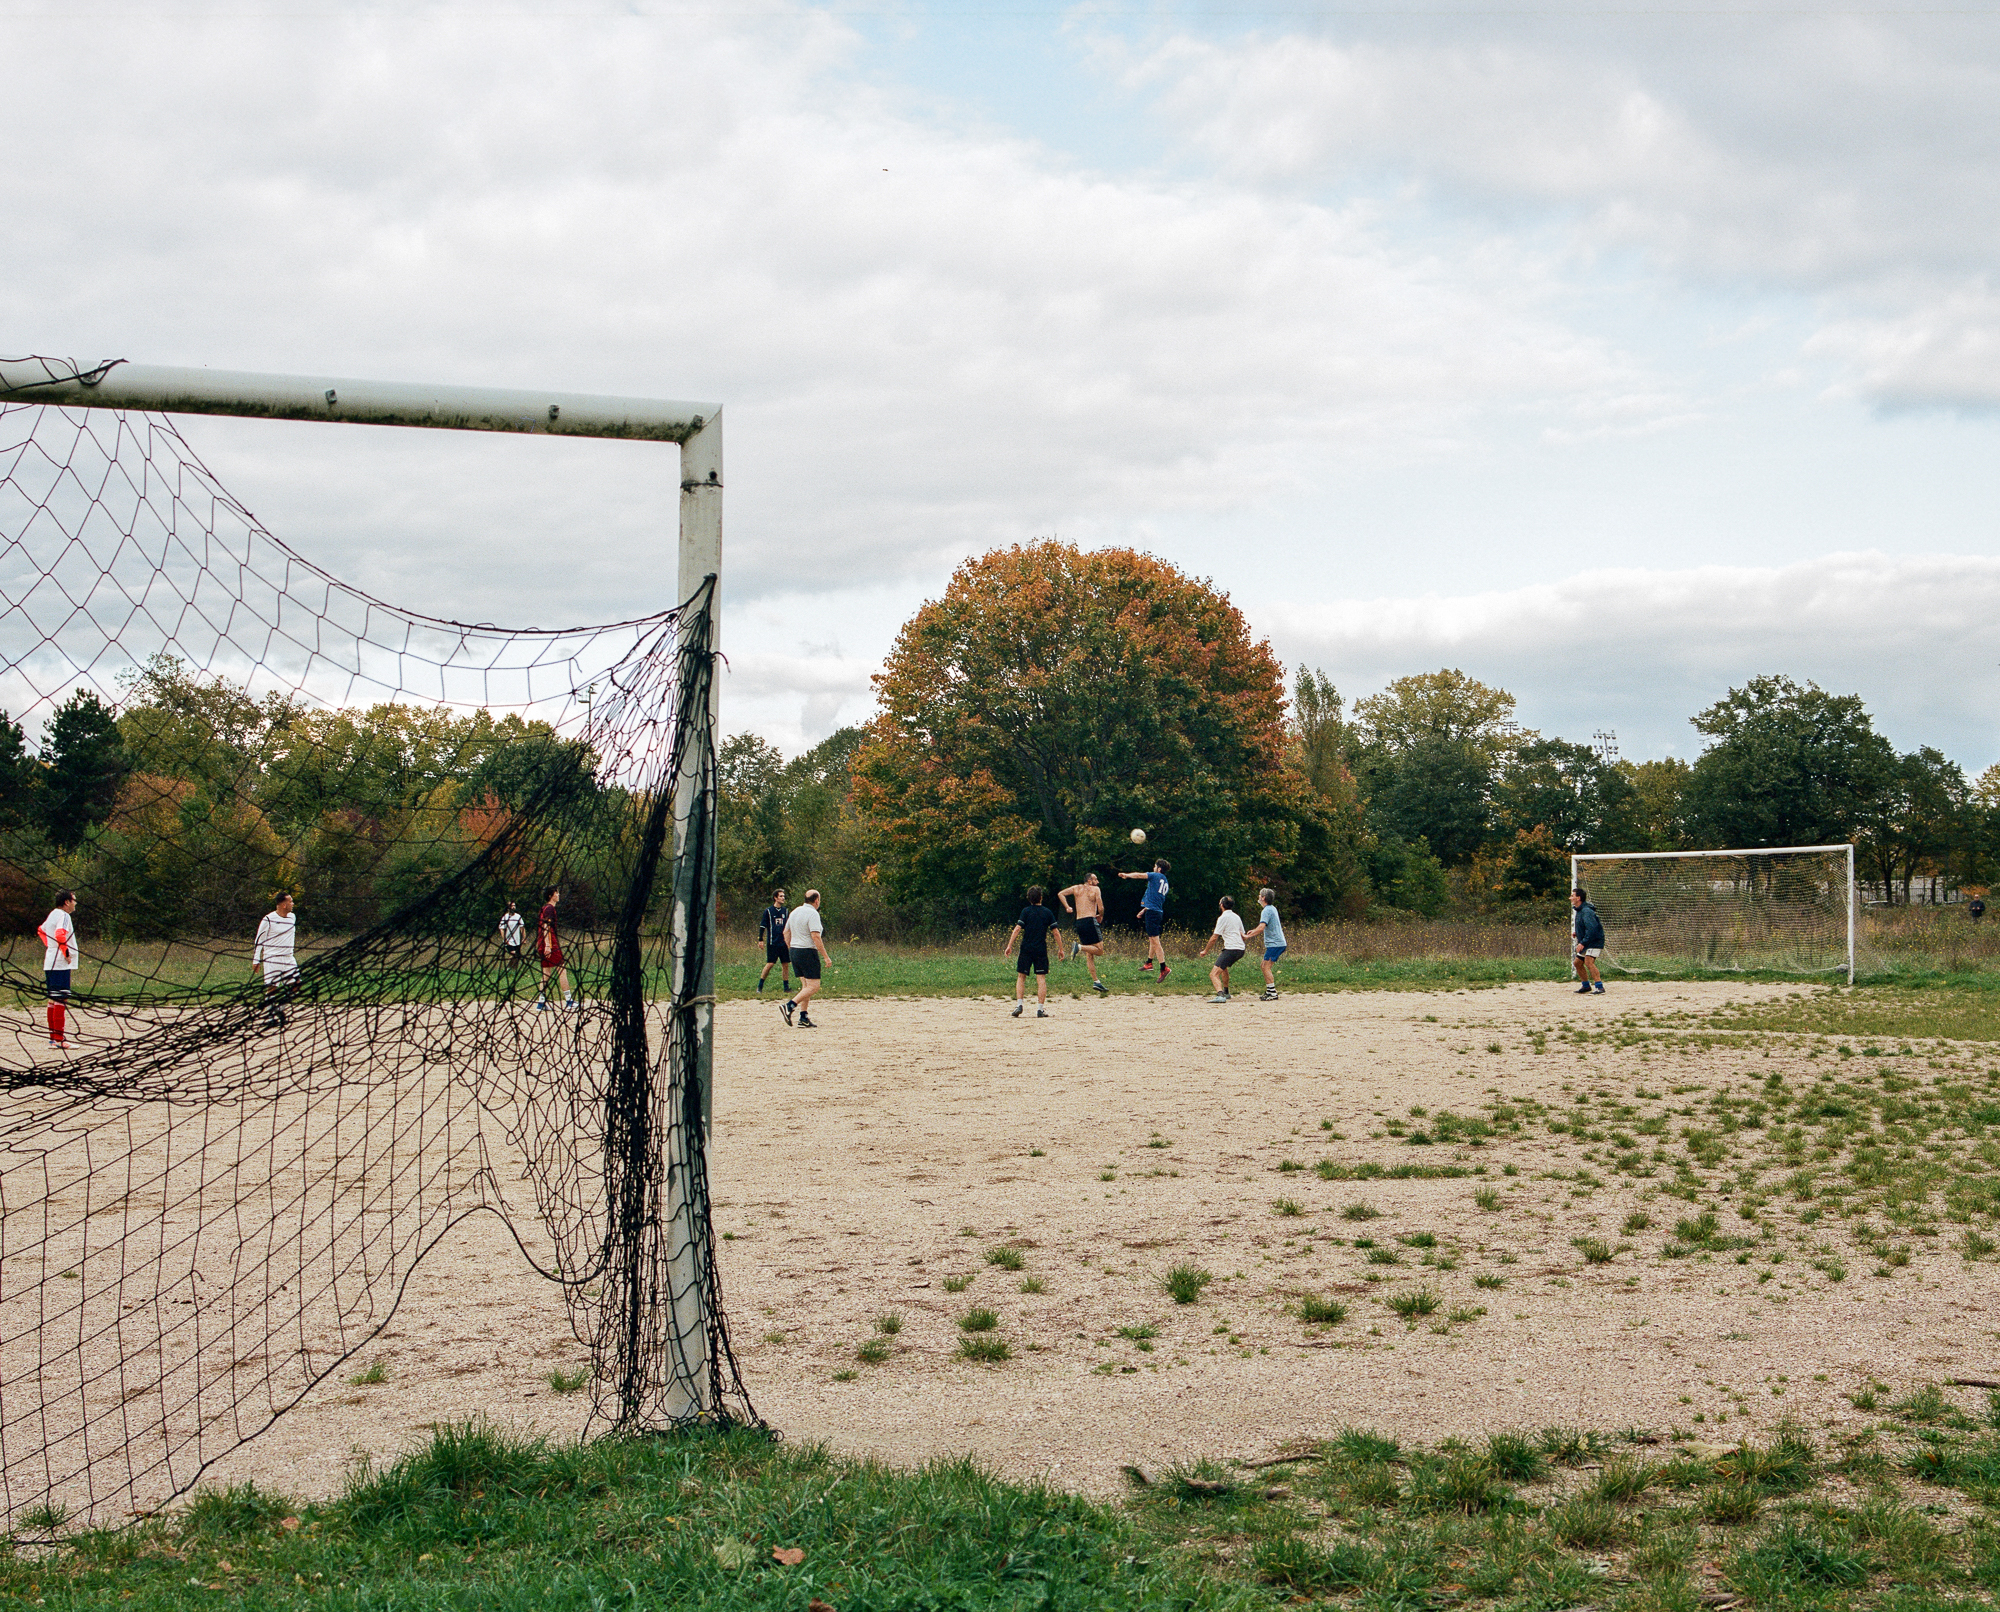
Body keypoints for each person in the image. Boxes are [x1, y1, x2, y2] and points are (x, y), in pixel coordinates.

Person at [1005, 885, 1059, 1018]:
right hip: (1040, 949)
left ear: (1029, 899)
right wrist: (1061, 948)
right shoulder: (1047, 912)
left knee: (1021, 976)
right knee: (1041, 978)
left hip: (1026, 948)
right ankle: (1040, 1009)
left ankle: (1019, 1005)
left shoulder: (1026, 911)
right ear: (1041, 898)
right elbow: (1056, 932)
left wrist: (1009, 945)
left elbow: (1017, 929)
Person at [1119, 857, 1172, 981]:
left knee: (1155, 941)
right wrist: (1144, 910)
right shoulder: (1165, 881)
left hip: (1153, 913)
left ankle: (1164, 967)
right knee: (1152, 939)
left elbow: (1139, 875)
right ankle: (1149, 963)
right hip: (1156, 911)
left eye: (1154, 867)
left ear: (1158, 869)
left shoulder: (1155, 876)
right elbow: (1156, 899)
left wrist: (1127, 875)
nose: (1153, 869)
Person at [252, 891, 301, 1027]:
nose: (293, 904)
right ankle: (269, 1017)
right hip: (272, 958)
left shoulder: (292, 917)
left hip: (288, 958)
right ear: (284, 904)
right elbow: (259, 940)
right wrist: (256, 960)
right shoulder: (268, 919)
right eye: (290, 901)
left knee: (296, 984)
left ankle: (279, 1009)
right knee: (272, 987)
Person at [783, 890, 831, 1028]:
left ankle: (803, 1017)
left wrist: (791, 948)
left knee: (806, 986)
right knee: (814, 986)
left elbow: (786, 932)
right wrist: (825, 956)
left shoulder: (795, 911)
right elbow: (815, 936)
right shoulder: (813, 914)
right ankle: (789, 1006)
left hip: (794, 950)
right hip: (807, 951)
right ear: (816, 900)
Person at [1058, 872, 1111, 995]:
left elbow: (1060, 893)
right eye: (1095, 879)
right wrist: (1101, 915)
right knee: (1100, 950)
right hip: (1090, 920)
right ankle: (1078, 947)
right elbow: (1101, 906)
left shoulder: (1076, 888)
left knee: (1090, 953)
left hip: (1079, 922)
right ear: (1089, 881)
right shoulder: (1095, 889)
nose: (1097, 882)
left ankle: (1096, 981)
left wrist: (1067, 907)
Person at [37, 889, 77, 1048]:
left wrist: (51, 946)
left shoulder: (52, 914)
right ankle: (60, 1040)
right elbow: (61, 934)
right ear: (67, 902)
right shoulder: (64, 915)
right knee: (61, 998)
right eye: (74, 900)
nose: (75, 903)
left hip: (50, 960)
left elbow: (41, 930)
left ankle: (53, 1039)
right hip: (60, 963)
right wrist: (66, 952)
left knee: (53, 998)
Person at [1196, 895, 1248, 1002]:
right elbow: (1243, 935)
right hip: (1241, 949)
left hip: (1231, 949)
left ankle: (1220, 995)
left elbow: (1214, 937)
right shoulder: (1236, 917)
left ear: (1222, 905)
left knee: (1213, 974)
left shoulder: (1222, 918)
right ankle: (1226, 992)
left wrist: (1205, 951)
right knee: (1223, 968)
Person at [535, 885, 575, 1010]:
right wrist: (548, 945)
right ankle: (569, 1001)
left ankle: (541, 1003)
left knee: (546, 973)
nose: (558, 895)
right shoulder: (549, 908)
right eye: (556, 893)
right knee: (562, 970)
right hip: (549, 942)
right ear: (550, 896)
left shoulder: (544, 908)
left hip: (542, 942)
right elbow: (546, 926)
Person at [756, 888, 792, 993]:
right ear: (775, 898)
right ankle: (760, 986)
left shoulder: (785, 911)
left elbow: (789, 926)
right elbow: (763, 926)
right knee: (770, 963)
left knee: (785, 964)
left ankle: (786, 987)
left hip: (784, 942)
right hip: (773, 942)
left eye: (783, 896)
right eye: (781, 896)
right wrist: (760, 939)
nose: (783, 898)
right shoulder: (768, 911)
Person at [1571, 885, 1605, 994]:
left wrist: (1582, 942)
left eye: (1572, 896)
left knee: (1588, 962)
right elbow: (1586, 926)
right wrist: (1578, 932)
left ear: (1578, 898)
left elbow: (1592, 929)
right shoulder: (1580, 910)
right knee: (1577, 963)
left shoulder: (1586, 911)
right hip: (1588, 941)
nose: (1570, 898)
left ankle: (1599, 987)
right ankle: (1586, 986)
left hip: (1594, 941)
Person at [1255, 886, 1286, 1002]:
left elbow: (1262, 927)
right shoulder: (1272, 908)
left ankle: (1272, 992)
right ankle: (1269, 991)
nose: (1258, 897)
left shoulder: (1266, 910)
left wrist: (1248, 935)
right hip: (1276, 943)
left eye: (1259, 895)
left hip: (1275, 943)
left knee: (1265, 966)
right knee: (1264, 965)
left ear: (1263, 898)